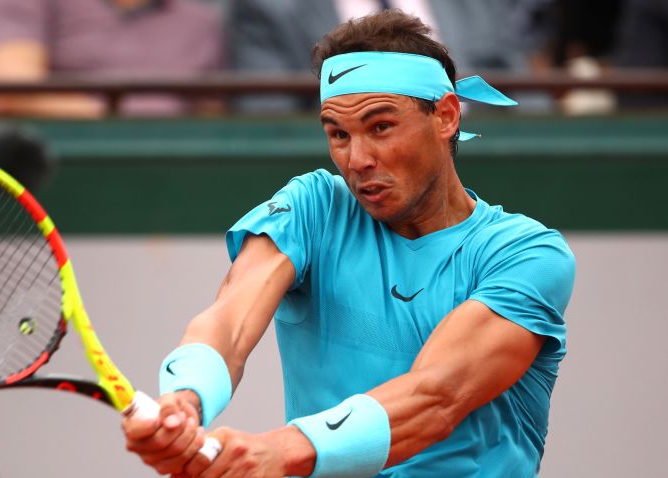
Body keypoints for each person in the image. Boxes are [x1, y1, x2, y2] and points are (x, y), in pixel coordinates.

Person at [122, 10, 575, 478]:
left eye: (380, 127)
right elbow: (230, 321)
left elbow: (435, 397)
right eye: (338, 134)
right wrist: (185, 399)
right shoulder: (314, 206)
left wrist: (283, 450)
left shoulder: (527, 255)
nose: (356, 160)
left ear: (445, 115)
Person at [0, 0, 224, 118]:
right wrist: (118, 117)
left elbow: (210, 121)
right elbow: (10, 91)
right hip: (51, 171)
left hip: (170, 177)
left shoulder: (201, 23)